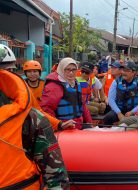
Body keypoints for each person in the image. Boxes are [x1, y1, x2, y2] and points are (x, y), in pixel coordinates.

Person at [0, 44, 69, 189]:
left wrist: (59, 124)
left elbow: (38, 111)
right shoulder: (25, 101)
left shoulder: (28, 109)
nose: (33, 74)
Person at [41, 57, 92, 130]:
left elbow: (82, 105)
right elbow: (46, 109)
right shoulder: (53, 86)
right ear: (61, 69)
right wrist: (59, 125)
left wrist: (89, 122)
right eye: (67, 69)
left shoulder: (75, 83)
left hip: (77, 126)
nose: (71, 73)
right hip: (63, 128)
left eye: (73, 70)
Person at [103, 61, 138, 125]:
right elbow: (111, 99)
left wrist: (132, 112)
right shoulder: (116, 82)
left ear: (134, 72)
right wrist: (119, 113)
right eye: (123, 70)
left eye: (127, 70)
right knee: (108, 118)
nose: (123, 72)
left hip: (134, 111)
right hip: (119, 110)